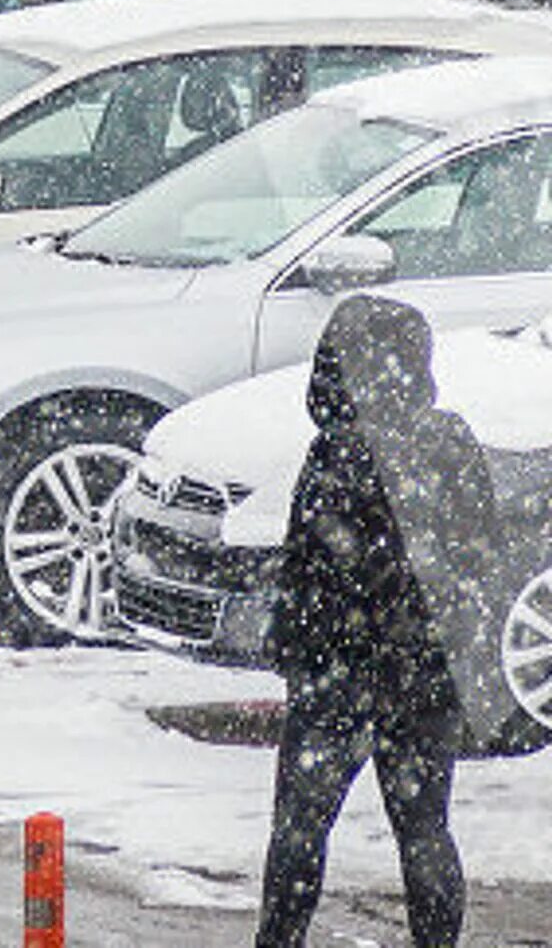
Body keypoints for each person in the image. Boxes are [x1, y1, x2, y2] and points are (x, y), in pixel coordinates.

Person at [255, 293, 502, 948]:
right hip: (424, 670)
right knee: (424, 827)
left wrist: (296, 650)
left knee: (300, 828)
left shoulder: (335, 454)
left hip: (337, 670)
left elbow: (305, 568)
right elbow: (482, 551)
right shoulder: (449, 441)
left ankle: (278, 940)